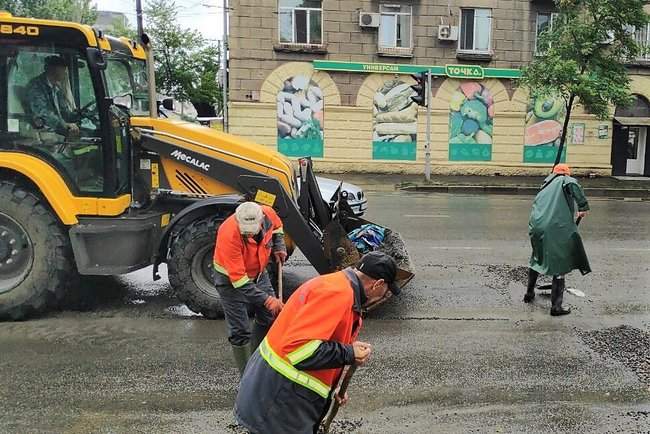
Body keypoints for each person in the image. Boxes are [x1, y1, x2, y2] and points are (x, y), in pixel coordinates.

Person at [234, 251, 401, 434]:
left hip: (274, 395)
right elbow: (300, 350)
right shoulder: (338, 295)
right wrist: (349, 353)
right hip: (279, 402)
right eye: (386, 292)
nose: (384, 298)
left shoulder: (337, 285)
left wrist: (334, 387)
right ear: (378, 284)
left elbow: (318, 340)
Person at [213, 201, 287, 375]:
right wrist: (268, 300)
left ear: (261, 220)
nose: (248, 235)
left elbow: (278, 228)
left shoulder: (267, 213)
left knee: (269, 318)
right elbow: (240, 282)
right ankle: (247, 377)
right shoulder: (228, 234)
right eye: (245, 232)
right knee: (240, 330)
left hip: (259, 274)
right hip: (230, 282)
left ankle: (257, 360)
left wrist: (279, 246)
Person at [524, 164, 591, 316]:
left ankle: (529, 294)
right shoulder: (564, 180)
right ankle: (556, 307)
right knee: (560, 263)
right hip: (553, 227)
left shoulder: (545, 184)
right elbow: (572, 183)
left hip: (536, 226)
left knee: (537, 258)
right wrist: (583, 206)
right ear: (566, 173)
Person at [26, 55, 79, 137]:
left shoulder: (56, 88)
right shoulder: (36, 86)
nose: (65, 72)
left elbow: (64, 111)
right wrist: (63, 125)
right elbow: (42, 113)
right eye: (62, 68)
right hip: (45, 132)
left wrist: (78, 115)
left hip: (58, 130)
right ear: (52, 69)